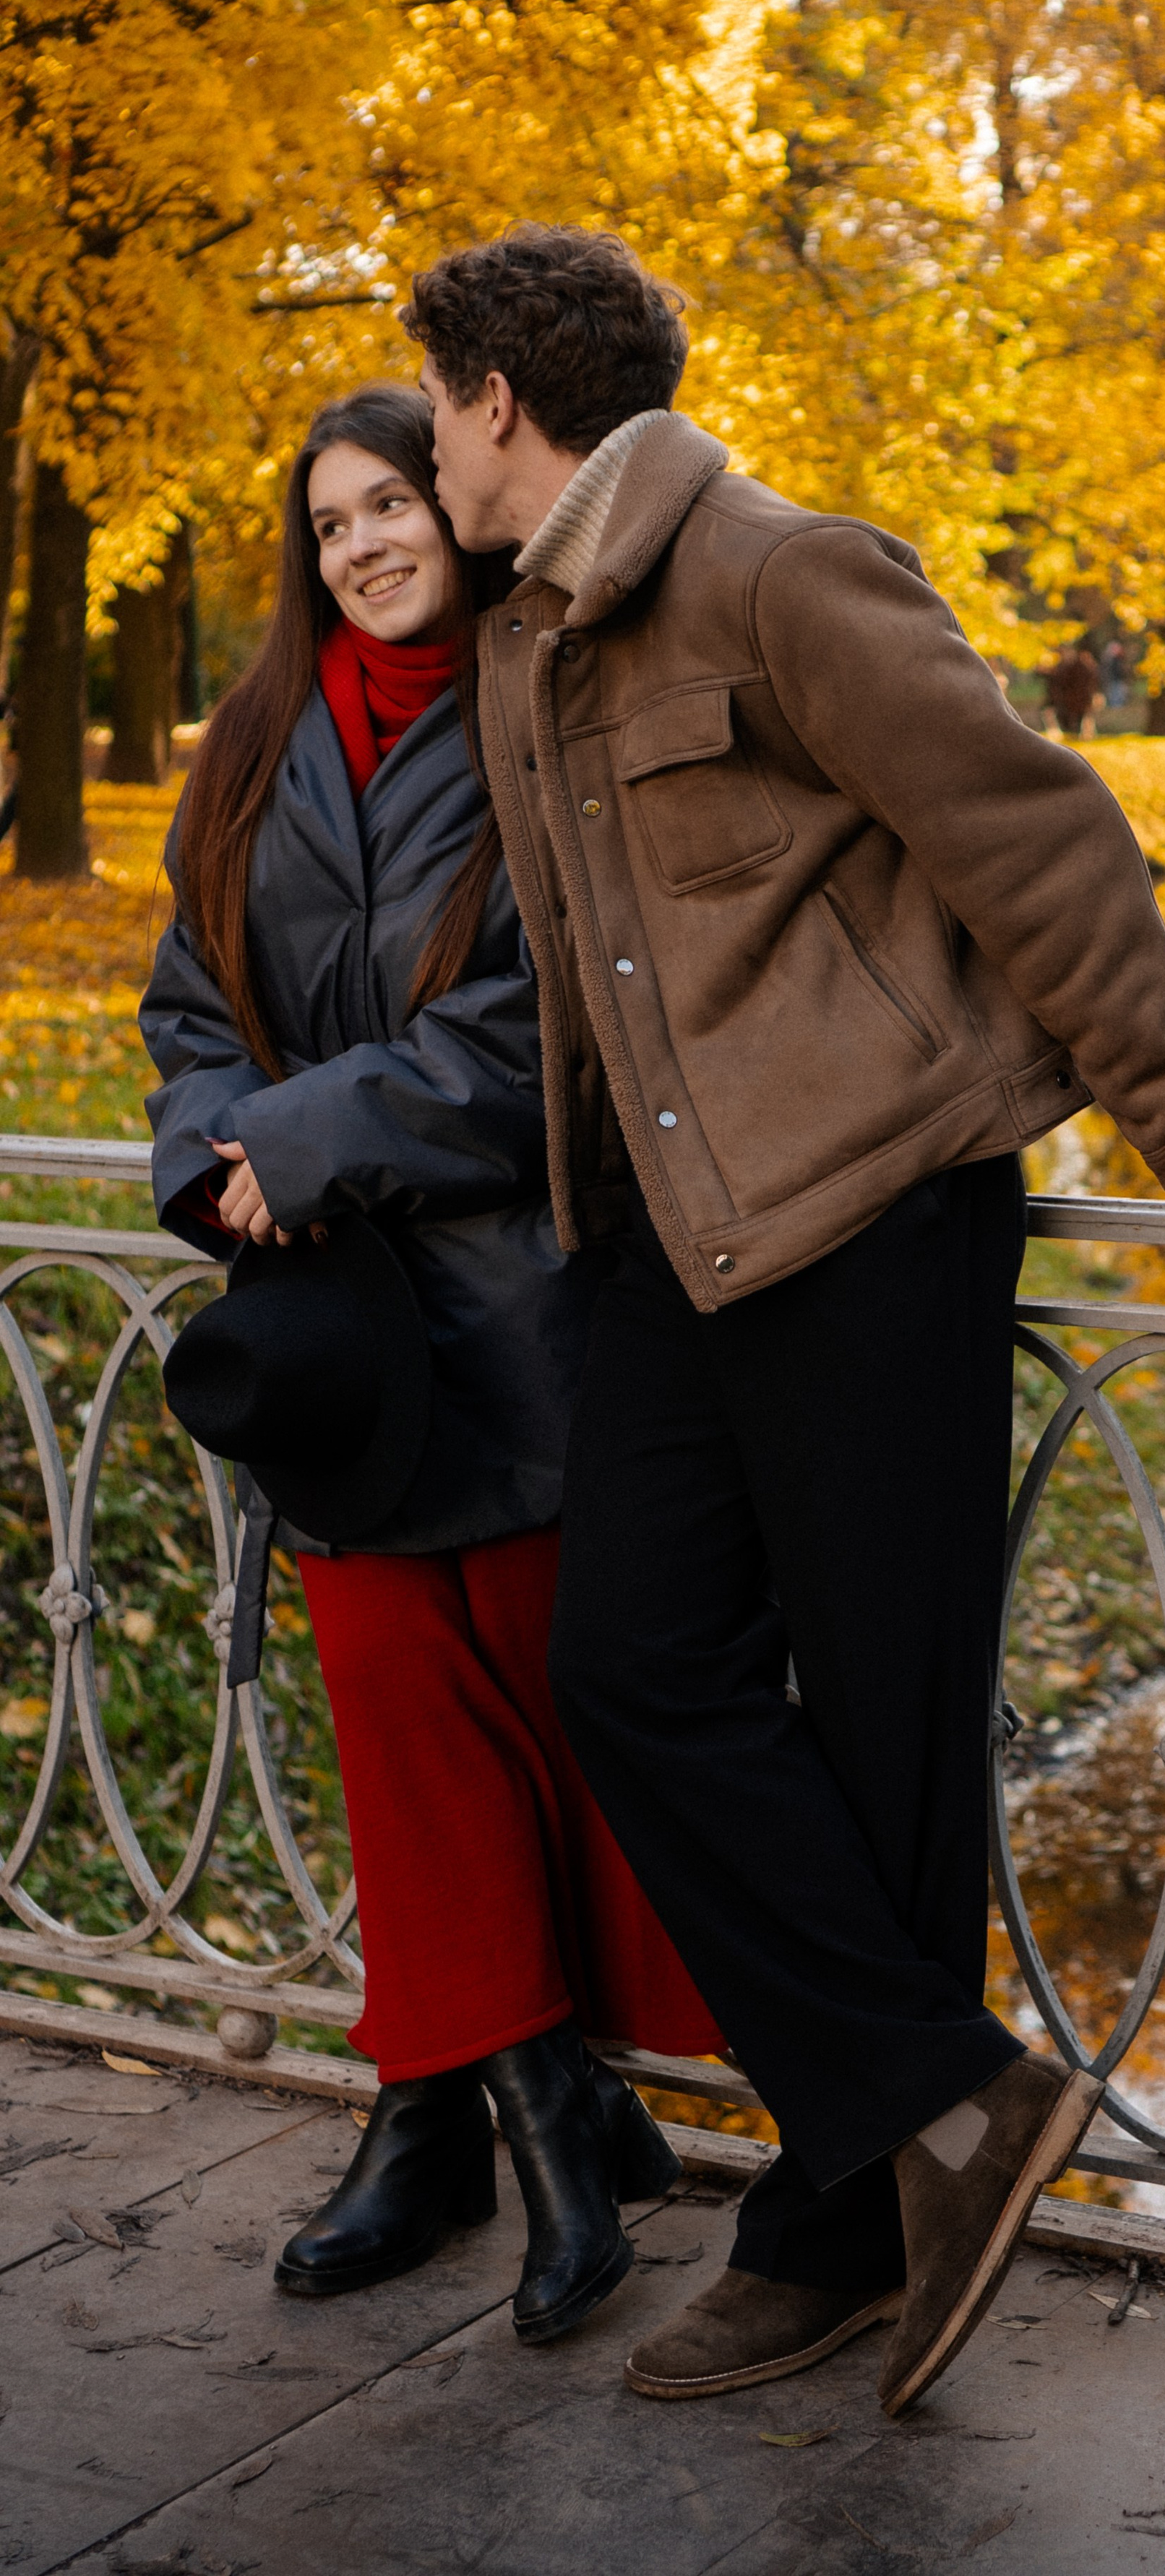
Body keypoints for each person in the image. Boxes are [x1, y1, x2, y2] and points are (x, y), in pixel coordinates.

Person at [404, 225, 1165, 2417]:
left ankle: (839, 2223)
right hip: (670, 1250)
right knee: (630, 1666)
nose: (428, 446)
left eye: (435, 405)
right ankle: (948, 2100)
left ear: (498, 401)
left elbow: (1033, 835)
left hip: (875, 1218)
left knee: (887, 1738)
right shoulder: (529, 631)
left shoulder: (779, 569)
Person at [139, 382, 721, 2345]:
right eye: (330, 523)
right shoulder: (254, 745)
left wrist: (300, 1140)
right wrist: (212, 1156)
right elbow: (188, 1002)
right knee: (398, 1713)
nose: (365, 544)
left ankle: (466, 2113)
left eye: (392, 502)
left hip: (526, 1305)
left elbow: (548, 1020)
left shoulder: (543, 704)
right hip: (331, 1336)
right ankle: (518, 2121)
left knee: (540, 1719)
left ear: (460, 512)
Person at [1044, 639, 1103, 736]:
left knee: (1081, 718)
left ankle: (1084, 733)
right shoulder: (1063, 667)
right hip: (1069, 700)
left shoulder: (1080, 667)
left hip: (1078, 699)